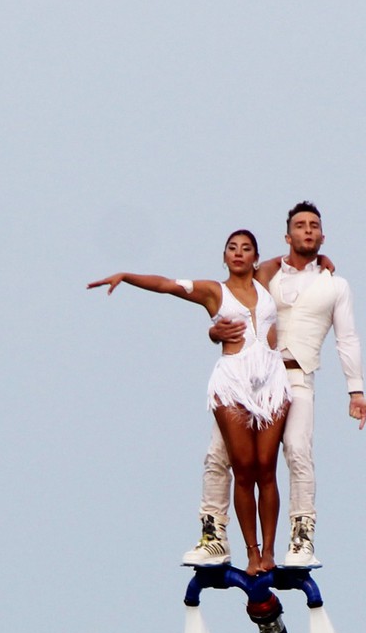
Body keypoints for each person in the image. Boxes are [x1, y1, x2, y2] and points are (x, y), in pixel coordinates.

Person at [90, 231, 291, 575]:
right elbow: (167, 284)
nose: (239, 254)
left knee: (266, 468)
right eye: (232, 248)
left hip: (270, 381)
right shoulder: (214, 291)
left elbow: (289, 258)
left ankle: (270, 551)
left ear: (255, 257)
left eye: (246, 249)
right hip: (233, 381)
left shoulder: (264, 281)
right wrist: (126, 276)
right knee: (244, 470)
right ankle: (253, 554)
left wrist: (323, 261)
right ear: (224, 256)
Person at [188, 202, 366, 569]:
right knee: (218, 453)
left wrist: (356, 390)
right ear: (288, 236)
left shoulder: (335, 285)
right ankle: (213, 536)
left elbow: (347, 337)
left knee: (297, 450)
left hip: (297, 374)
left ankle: (301, 537)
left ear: (323, 235)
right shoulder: (266, 276)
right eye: (301, 226)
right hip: (252, 375)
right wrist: (213, 333)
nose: (308, 230)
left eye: (314, 226)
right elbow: (228, 305)